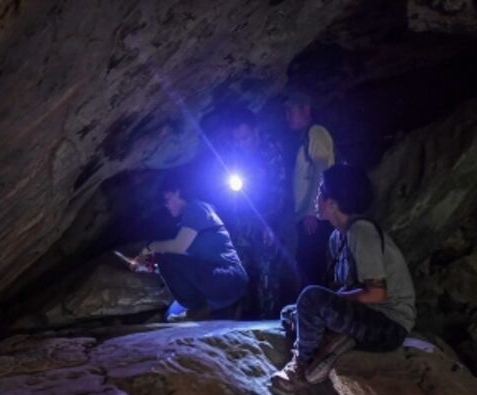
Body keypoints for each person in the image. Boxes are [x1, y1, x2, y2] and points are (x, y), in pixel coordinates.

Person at [273, 164, 416, 386]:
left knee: (310, 299)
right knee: (290, 312)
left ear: (333, 203)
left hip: (388, 325)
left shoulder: (361, 232)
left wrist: (329, 302)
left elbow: (377, 293)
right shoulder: (337, 238)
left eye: (321, 190)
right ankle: (338, 340)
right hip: (364, 315)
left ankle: (301, 365)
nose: (316, 197)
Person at [132, 172, 248, 321]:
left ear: (178, 192)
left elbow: (178, 247)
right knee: (169, 315)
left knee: (164, 255)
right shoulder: (190, 221)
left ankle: (198, 307)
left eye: (167, 199)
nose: (166, 205)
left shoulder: (197, 208)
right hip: (221, 280)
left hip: (229, 279)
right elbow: (184, 264)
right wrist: (149, 266)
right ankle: (204, 309)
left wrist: (150, 246)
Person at [225, 107, 291, 318]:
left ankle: (268, 317)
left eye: (244, 138)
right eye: (236, 139)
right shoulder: (236, 154)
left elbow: (278, 191)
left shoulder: (271, 150)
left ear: (255, 131)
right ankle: (241, 315)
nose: (241, 143)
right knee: (241, 267)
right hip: (242, 221)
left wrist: (269, 224)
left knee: (267, 271)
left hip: (268, 220)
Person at [284, 90, 335, 289]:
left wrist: (312, 211)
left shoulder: (316, 132)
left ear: (305, 109)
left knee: (310, 266)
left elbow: (323, 170)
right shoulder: (305, 137)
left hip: (314, 217)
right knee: (307, 264)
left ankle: (314, 313)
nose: (286, 117)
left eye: (290, 111)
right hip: (307, 215)